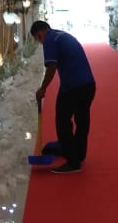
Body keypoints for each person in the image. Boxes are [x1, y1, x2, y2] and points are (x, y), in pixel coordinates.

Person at [31, 20, 96, 174]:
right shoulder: (62, 35)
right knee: (82, 120)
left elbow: (51, 66)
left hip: (73, 86)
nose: (40, 42)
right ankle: (78, 153)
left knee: (62, 122)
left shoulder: (49, 40)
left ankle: (72, 161)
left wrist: (43, 88)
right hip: (88, 84)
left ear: (39, 34)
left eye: (37, 39)